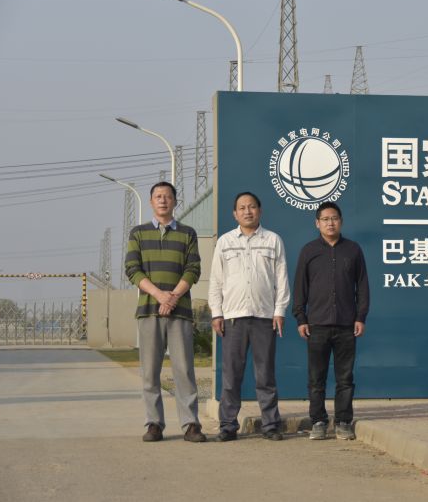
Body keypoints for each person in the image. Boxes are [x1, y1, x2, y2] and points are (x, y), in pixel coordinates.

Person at [124, 181, 205, 442]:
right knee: (150, 372)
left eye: (167, 196)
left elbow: (193, 269)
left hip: (180, 313)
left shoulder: (187, 233)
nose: (162, 200)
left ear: (174, 201)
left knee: (184, 370)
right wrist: (160, 296)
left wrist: (173, 298)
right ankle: (154, 424)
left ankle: (191, 424)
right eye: (158, 196)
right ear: (151, 202)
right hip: (149, 311)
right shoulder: (138, 233)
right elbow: (132, 270)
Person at [208, 192, 291, 442]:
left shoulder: (273, 240)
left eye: (252, 207)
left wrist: (279, 311)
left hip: (264, 317)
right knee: (231, 376)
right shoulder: (225, 242)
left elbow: (281, 279)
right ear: (235, 214)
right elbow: (216, 281)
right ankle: (228, 425)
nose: (247, 211)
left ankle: (271, 425)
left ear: (260, 210)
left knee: (265, 375)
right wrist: (217, 313)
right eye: (242, 208)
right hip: (233, 318)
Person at [293, 201, 369, 441]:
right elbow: (300, 288)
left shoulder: (353, 250)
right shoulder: (308, 251)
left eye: (334, 218)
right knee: (316, 378)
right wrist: (301, 318)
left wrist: (360, 316)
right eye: (325, 219)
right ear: (317, 223)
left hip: (347, 325)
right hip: (317, 325)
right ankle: (318, 421)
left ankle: (343, 421)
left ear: (341, 221)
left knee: (345, 379)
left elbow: (363, 287)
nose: (330, 223)